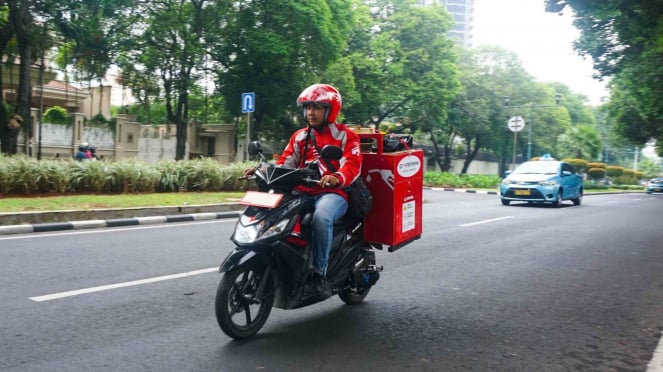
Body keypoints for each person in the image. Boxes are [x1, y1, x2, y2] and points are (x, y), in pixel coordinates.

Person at [244, 84, 362, 295]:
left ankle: (319, 272)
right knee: (276, 213)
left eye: (317, 107)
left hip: (332, 194)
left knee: (321, 217)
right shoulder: (300, 136)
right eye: (307, 107)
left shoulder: (346, 136)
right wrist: (262, 170)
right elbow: (285, 162)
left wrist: (336, 178)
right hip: (302, 192)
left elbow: (352, 165)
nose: (311, 112)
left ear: (330, 110)